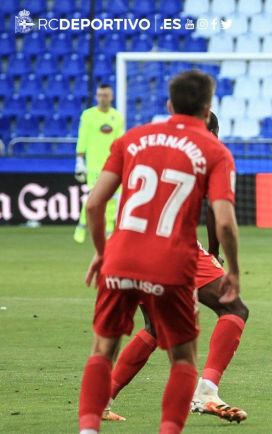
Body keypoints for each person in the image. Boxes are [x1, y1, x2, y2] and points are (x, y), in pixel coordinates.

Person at [78, 70, 240, 434]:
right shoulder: (213, 150)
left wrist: (102, 252)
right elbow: (224, 219)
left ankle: (90, 424)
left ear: (169, 104)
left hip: (120, 254)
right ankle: (200, 397)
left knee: (104, 348)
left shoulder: (133, 138)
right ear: (207, 109)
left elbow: (93, 205)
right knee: (184, 355)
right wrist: (233, 268)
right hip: (170, 258)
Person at [102, 112, 249, 424]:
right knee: (234, 308)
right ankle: (206, 391)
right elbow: (217, 212)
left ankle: (103, 400)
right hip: (171, 244)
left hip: (128, 244)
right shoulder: (206, 152)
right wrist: (215, 252)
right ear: (212, 131)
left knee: (155, 328)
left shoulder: (150, 146)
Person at [73, 83, 125, 243]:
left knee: (113, 197)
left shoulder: (117, 116)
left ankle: (109, 229)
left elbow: (120, 142)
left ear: (111, 97)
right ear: (96, 96)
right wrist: (79, 160)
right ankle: (82, 226)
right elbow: (82, 137)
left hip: (112, 164)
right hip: (94, 165)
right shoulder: (88, 115)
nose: (102, 98)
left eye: (105, 95)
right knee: (93, 197)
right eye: (100, 95)